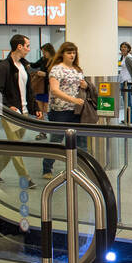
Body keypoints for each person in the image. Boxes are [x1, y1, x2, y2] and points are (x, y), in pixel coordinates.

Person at [0, 34, 38, 186]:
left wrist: (34, 108)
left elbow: (29, 90)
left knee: (13, 143)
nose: (29, 49)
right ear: (19, 46)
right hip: (10, 112)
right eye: (27, 46)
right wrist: (8, 106)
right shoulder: (4, 67)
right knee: (17, 146)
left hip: (24, 111)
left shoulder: (24, 66)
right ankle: (26, 177)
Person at [42, 41, 88, 176]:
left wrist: (85, 85)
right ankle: (47, 167)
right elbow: (55, 91)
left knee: (81, 141)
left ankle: (80, 168)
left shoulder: (77, 70)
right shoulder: (56, 69)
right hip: (60, 111)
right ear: (62, 54)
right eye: (69, 53)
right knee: (56, 140)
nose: (72, 55)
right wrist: (72, 99)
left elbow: (81, 87)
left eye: (74, 53)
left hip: (77, 110)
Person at [118, 41, 132, 123]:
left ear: (128, 49)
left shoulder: (129, 58)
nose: (123, 48)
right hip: (123, 81)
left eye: (125, 47)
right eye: (122, 47)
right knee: (126, 101)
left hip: (127, 82)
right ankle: (128, 118)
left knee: (128, 101)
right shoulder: (123, 57)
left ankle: (131, 119)